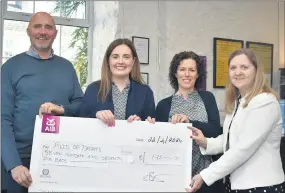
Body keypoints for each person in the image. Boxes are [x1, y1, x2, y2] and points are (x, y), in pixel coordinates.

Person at [1, 12, 83, 193]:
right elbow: (2, 120)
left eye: (48, 27)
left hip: (59, 157)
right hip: (20, 161)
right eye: (37, 26)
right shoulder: (10, 68)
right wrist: (13, 164)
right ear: (28, 30)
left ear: (56, 32)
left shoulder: (67, 67)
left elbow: (81, 106)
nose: (43, 31)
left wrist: (61, 109)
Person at [186, 48, 285, 193]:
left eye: (244, 67)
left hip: (260, 186)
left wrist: (204, 175)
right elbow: (230, 138)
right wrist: (205, 142)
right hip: (236, 184)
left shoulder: (265, 102)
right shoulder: (238, 101)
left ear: (256, 71)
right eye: (233, 68)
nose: (238, 72)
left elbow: (242, 149)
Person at [147, 51, 223, 193]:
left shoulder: (207, 98)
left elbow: (215, 130)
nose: (187, 74)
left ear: (197, 74)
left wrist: (189, 123)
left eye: (192, 70)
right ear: (175, 74)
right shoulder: (163, 105)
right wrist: (150, 127)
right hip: (173, 176)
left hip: (205, 176)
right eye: (182, 69)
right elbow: (158, 142)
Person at [78, 38, 155, 125]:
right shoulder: (93, 89)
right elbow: (81, 123)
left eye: (126, 57)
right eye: (115, 57)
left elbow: (151, 127)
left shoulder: (145, 92)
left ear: (133, 61)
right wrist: (96, 116)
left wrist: (142, 124)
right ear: (108, 61)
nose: (121, 61)